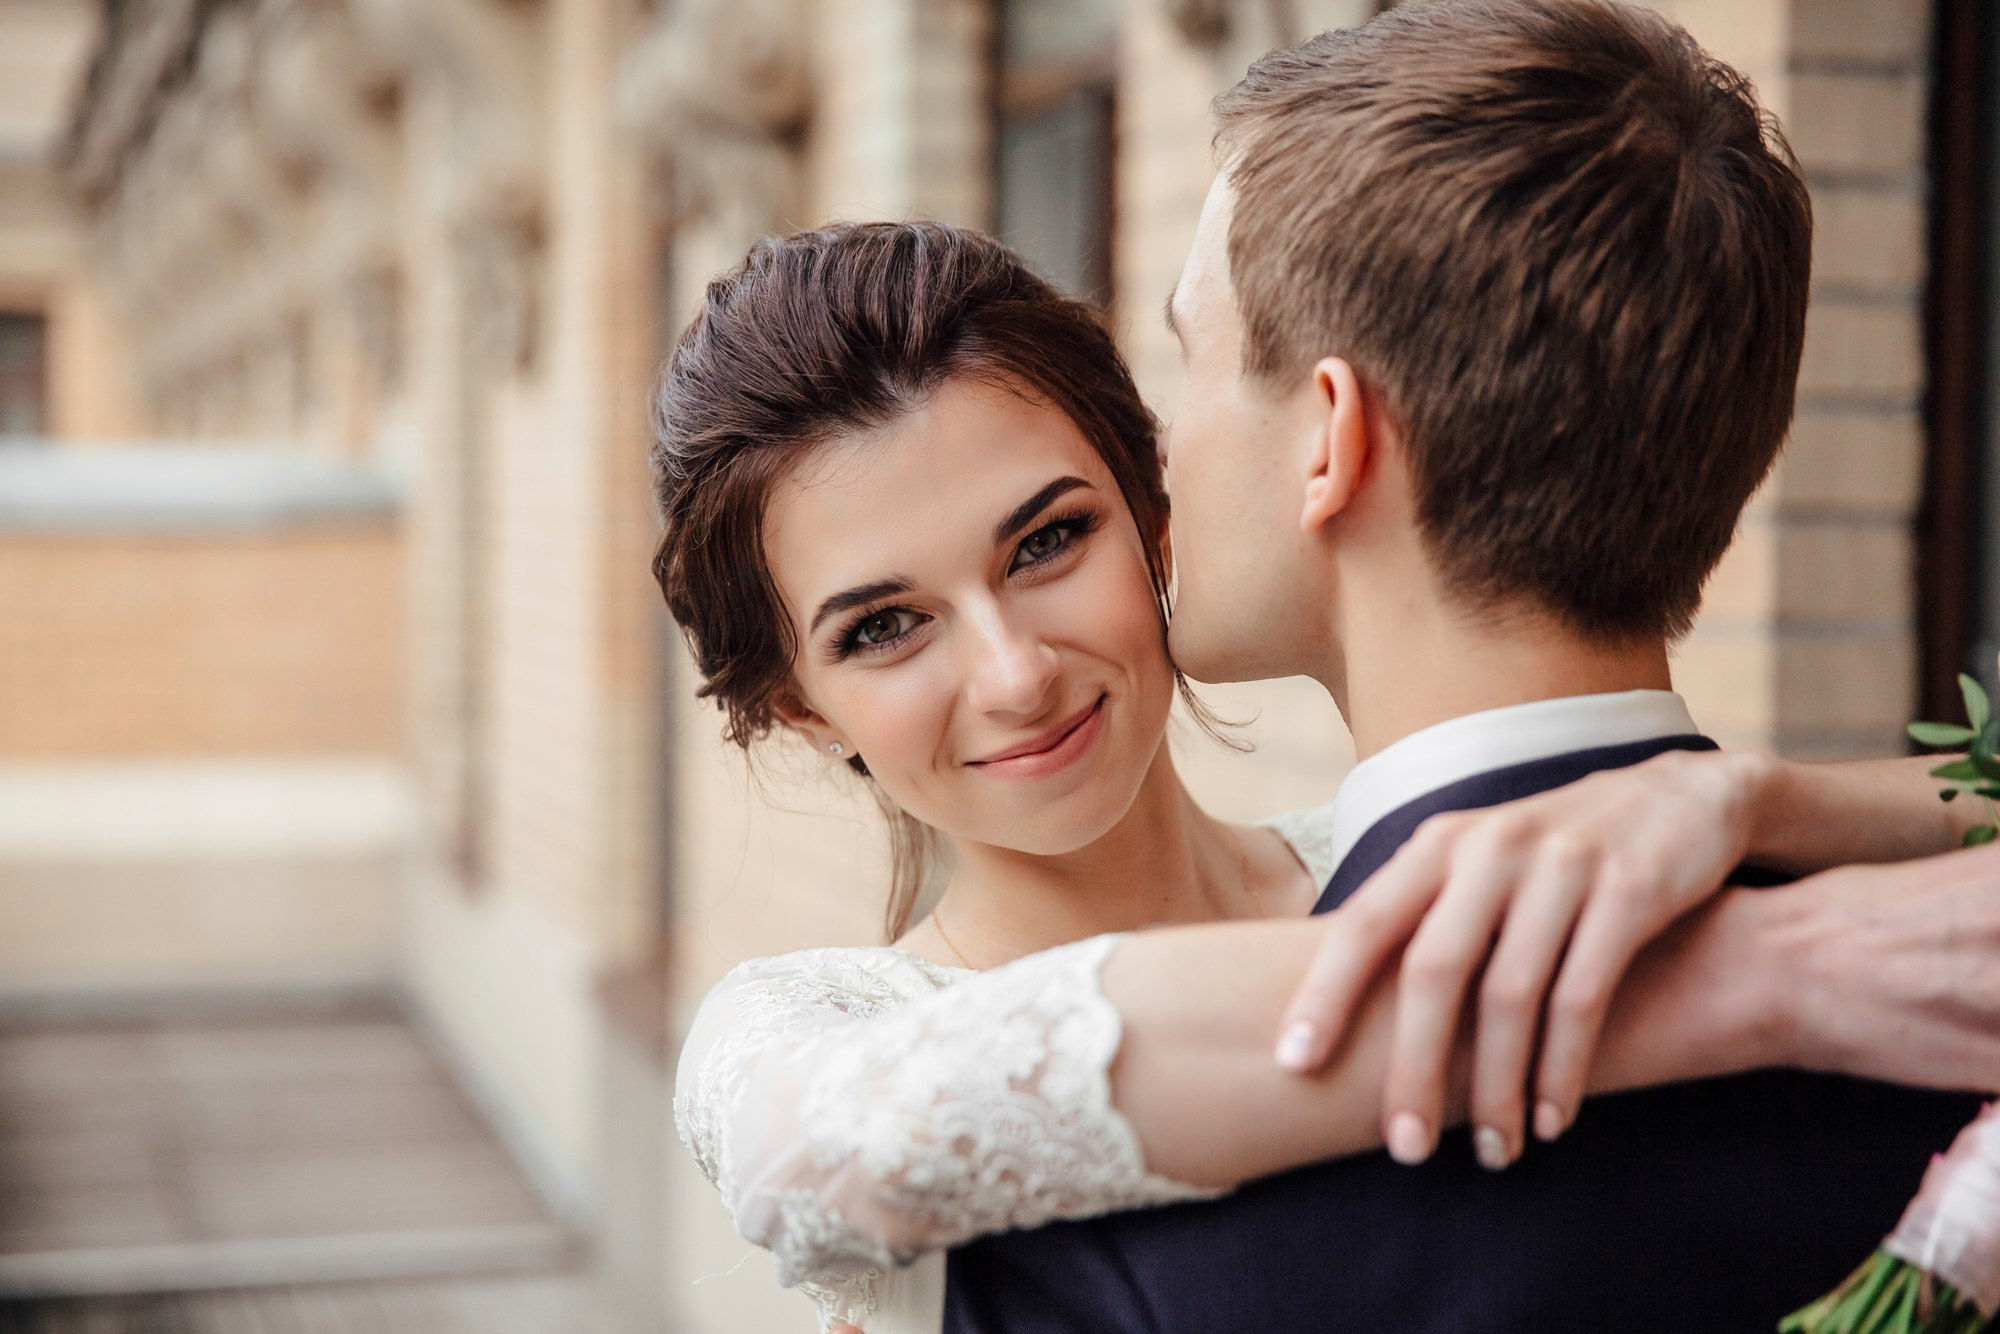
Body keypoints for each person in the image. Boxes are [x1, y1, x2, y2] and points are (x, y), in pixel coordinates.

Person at [654, 219, 1997, 1332]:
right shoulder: (809, 1031)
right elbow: (828, 1147)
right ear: (800, 705)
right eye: (883, 628)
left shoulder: (1428, 846)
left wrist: (1755, 797)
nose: (1013, 673)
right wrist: (1777, 968)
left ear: (1154, 512)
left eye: (1049, 540)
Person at [931, 1, 1989, 1330]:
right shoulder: (1954, 1000)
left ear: (1330, 437)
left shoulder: (1104, 1220)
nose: (1159, 446)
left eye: (1191, 355)